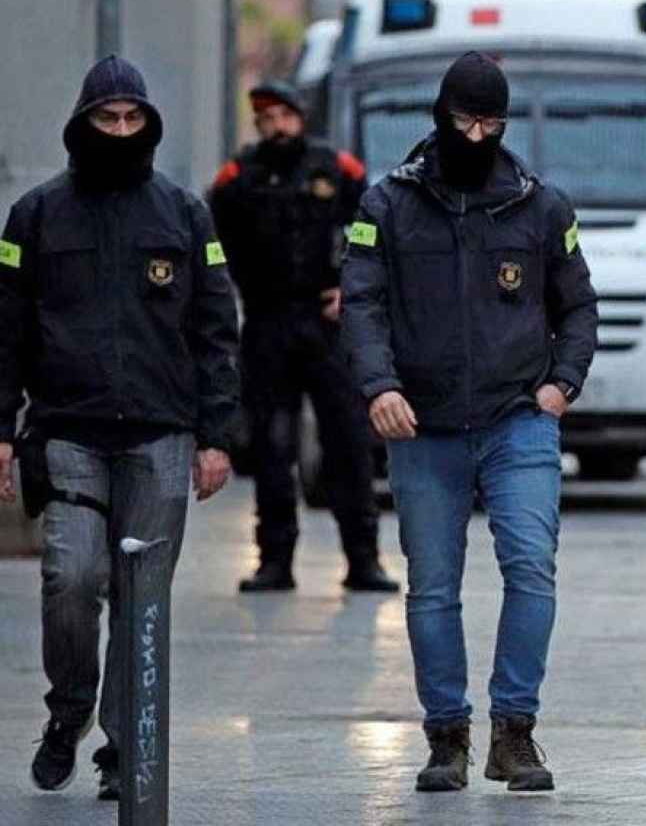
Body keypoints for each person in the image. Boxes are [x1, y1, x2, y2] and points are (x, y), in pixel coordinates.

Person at [341, 52, 598, 792]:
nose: (477, 135)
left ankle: (514, 734)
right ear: (440, 116)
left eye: (492, 123)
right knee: (431, 587)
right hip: (422, 426)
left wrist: (562, 385)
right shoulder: (387, 206)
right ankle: (446, 737)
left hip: (519, 420)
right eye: (465, 121)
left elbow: (578, 305)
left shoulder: (541, 207)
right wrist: (379, 387)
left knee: (531, 569)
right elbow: (361, 304)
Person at [0, 56, 241, 799]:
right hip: (68, 432)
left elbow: (215, 327)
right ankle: (68, 709)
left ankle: (121, 748)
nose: (121, 130)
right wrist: (2, 430)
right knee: (70, 580)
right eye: (107, 119)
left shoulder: (184, 214)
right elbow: (5, 329)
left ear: (149, 126)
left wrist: (217, 435)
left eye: (133, 119)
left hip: (161, 435)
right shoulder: (35, 217)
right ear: (83, 124)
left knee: (143, 602)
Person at [209, 80, 396, 594]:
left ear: (300, 117)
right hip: (268, 322)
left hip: (327, 322)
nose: (276, 128)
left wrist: (351, 284)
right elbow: (214, 239)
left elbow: (371, 228)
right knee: (271, 445)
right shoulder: (239, 178)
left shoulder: (337, 170)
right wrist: (238, 289)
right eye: (266, 120)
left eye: (284, 118)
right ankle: (275, 560)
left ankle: (363, 559)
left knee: (348, 441)